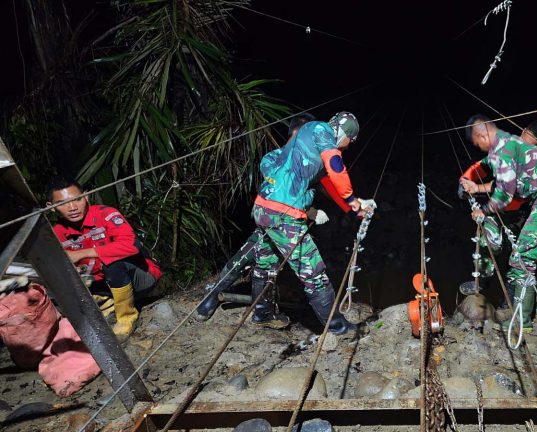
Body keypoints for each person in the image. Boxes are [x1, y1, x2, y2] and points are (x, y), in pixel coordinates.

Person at [199, 112, 375, 336]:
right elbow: (334, 164)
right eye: (350, 141)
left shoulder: (307, 147)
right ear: (345, 133)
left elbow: (328, 181)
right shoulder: (322, 131)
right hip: (284, 215)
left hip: (264, 209)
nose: (348, 147)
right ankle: (339, 328)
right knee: (314, 275)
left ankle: (262, 313)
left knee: (265, 262)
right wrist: (350, 198)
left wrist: (354, 205)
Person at [194, 111, 326, 324]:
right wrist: (310, 211)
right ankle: (214, 298)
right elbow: (283, 189)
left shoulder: (308, 164)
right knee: (249, 254)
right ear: (298, 134)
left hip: (288, 222)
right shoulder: (274, 158)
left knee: (266, 264)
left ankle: (261, 312)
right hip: (272, 219)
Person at [459, 115, 537, 332]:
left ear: (482, 134)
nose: (479, 147)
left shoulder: (505, 149)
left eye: (477, 143)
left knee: (521, 259)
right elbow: (489, 169)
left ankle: (522, 321)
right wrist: (471, 183)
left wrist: (482, 209)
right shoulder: (508, 144)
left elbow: (503, 196)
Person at [47, 179, 162, 342]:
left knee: (112, 263)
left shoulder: (105, 214)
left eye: (77, 199)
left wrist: (82, 254)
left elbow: (130, 245)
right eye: (63, 203)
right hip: (101, 284)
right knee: (54, 278)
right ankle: (107, 306)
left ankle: (127, 318)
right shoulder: (57, 232)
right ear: (50, 207)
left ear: (86, 196)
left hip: (139, 278)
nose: (72, 208)